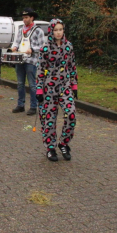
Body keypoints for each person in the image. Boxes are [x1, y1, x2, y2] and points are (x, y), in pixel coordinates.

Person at [36, 19, 78, 162]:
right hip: (49, 89)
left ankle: (64, 143)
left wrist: (74, 85)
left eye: (60, 29)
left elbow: (72, 66)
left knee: (71, 114)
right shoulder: (45, 48)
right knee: (49, 120)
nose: (58, 32)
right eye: (56, 30)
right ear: (51, 31)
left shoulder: (68, 46)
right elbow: (40, 69)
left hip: (65, 87)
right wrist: (39, 90)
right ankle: (50, 147)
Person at [11, 7, 45, 116]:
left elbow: (41, 46)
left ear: (32, 17)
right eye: (23, 18)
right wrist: (14, 47)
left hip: (31, 61)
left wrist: (33, 49)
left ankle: (33, 106)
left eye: (26, 17)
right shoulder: (21, 29)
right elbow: (16, 42)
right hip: (20, 60)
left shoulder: (38, 30)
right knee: (20, 84)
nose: (24, 20)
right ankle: (20, 105)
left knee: (32, 85)